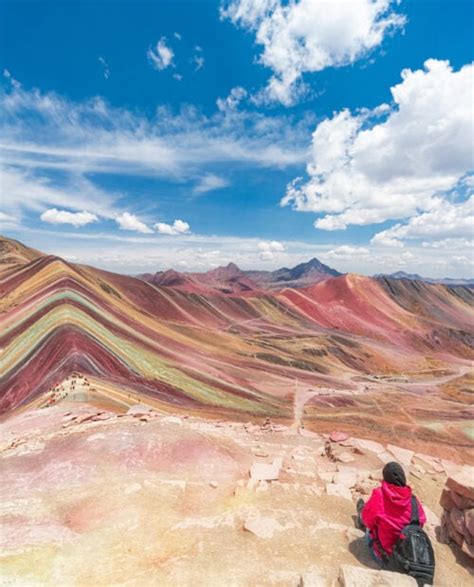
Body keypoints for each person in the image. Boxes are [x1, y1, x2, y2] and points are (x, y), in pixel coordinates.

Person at [356, 461, 427, 565]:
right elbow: (420, 524)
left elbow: (368, 521)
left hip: (384, 556)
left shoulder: (380, 495)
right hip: (407, 557)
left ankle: (360, 511)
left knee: (365, 517)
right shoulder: (413, 501)